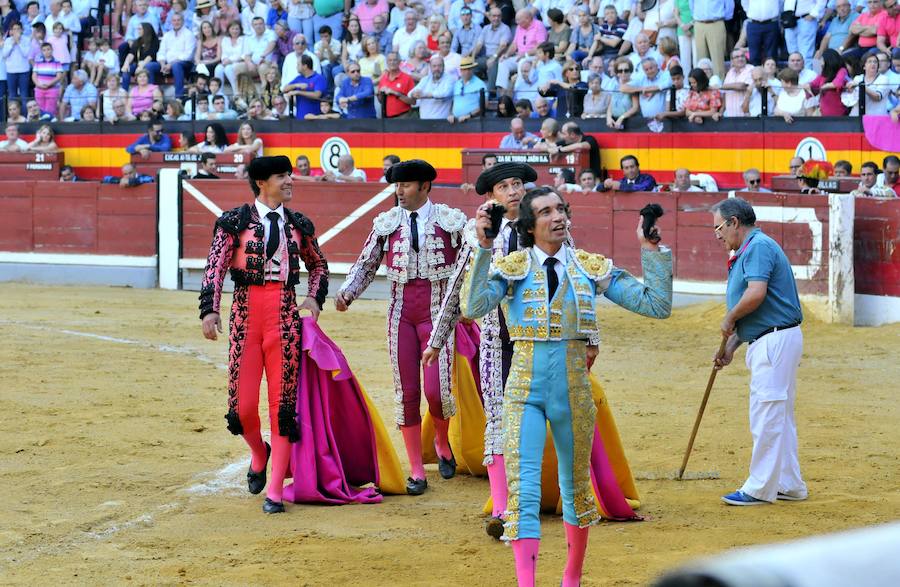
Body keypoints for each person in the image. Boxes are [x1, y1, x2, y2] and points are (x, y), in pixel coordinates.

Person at [460, 186, 672, 586]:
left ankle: (571, 579)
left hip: (573, 393)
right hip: (523, 393)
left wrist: (651, 249)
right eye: (545, 212)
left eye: (560, 209)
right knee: (523, 491)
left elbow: (656, 305)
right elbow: (472, 308)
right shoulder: (512, 266)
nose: (557, 217)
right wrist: (484, 247)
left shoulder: (590, 267)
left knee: (575, 488)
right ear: (529, 225)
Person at [199, 155, 329, 514]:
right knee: (241, 411)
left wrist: (313, 298)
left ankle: (275, 490)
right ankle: (259, 452)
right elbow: (215, 267)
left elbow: (318, 265)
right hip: (245, 317)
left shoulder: (298, 225)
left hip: (284, 318)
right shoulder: (234, 222)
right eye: (281, 176)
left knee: (283, 409)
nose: (289, 181)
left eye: (289, 175)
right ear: (261, 183)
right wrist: (209, 309)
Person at [335, 159, 467, 496]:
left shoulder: (451, 222)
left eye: (405, 185)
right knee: (407, 393)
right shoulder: (387, 223)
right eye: (397, 185)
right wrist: (348, 292)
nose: (399, 192)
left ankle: (441, 441)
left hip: (438, 314)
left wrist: (467, 304)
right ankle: (417, 470)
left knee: (437, 391)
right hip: (400, 316)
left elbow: (470, 263)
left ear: (425, 186)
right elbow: (366, 262)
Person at [424, 162, 539, 540]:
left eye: (517, 184)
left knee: (538, 418)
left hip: (540, 338)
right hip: (495, 339)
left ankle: (534, 497)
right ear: (491, 196)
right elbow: (457, 289)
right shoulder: (479, 238)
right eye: (505, 186)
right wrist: (437, 339)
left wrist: (586, 338)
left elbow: (573, 281)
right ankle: (503, 508)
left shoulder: (544, 226)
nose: (514, 191)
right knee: (498, 419)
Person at [711, 196, 808, 507]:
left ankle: (759, 488)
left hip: (774, 341)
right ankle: (789, 483)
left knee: (767, 412)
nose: (718, 235)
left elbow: (756, 294)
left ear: (734, 222)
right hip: (772, 337)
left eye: (719, 228)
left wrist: (730, 317)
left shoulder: (757, 247)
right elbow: (760, 309)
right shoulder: (752, 248)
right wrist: (732, 346)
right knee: (778, 414)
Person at [158, 12, 196, 97]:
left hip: (185, 64)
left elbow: (188, 55)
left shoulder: (189, 34)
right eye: (174, 20)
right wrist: (163, 64)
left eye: (178, 20)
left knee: (176, 66)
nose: (176, 22)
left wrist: (171, 64)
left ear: (183, 21)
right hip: (167, 64)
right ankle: (151, 96)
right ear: (171, 22)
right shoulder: (167, 35)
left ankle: (179, 97)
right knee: (150, 66)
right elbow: (161, 52)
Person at [409, 54, 455, 119]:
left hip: (442, 121)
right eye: (434, 66)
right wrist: (414, 94)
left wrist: (425, 95)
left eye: (439, 66)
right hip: (424, 121)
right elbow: (409, 94)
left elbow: (445, 93)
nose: (437, 69)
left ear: (444, 67)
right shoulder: (425, 79)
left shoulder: (450, 79)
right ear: (430, 67)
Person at [449, 56, 487, 123]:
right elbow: (453, 102)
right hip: (455, 122)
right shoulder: (457, 84)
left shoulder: (480, 84)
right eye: (464, 69)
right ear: (460, 70)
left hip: (473, 121)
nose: (467, 72)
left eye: (469, 69)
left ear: (473, 69)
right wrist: (451, 114)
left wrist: (469, 115)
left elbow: (485, 105)